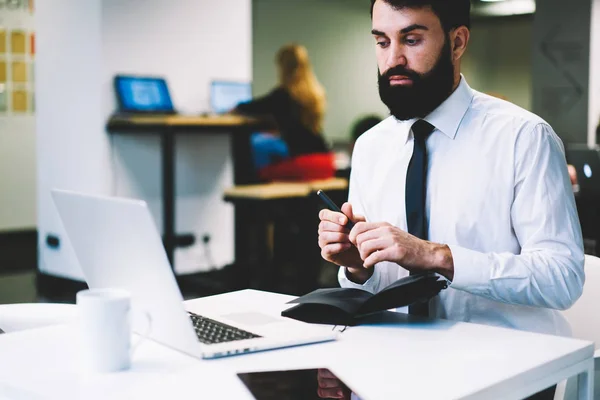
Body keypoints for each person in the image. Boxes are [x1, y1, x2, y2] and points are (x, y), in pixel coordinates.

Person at [317, 2, 584, 399]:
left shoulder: (524, 137)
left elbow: (562, 279)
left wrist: (438, 256)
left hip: (504, 372)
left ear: (457, 42)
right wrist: (358, 268)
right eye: (382, 41)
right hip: (393, 367)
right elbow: (375, 288)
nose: (394, 59)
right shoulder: (371, 147)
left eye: (412, 39)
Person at [235, 44, 334, 181]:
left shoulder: (283, 94)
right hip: (326, 162)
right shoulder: (316, 93)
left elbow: (249, 107)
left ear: (283, 67)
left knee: (260, 166)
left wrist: (233, 109)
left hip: (303, 164)